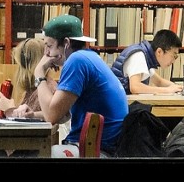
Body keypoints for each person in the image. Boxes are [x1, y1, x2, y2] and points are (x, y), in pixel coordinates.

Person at [33, 14, 128, 157]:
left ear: (66, 43)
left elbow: (52, 116)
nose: (46, 53)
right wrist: (32, 115)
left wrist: (39, 72)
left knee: (33, 155)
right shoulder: (90, 57)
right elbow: (63, 114)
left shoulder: (76, 61)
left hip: (95, 150)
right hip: (105, 146)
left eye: (49, 46)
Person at [109, 28, 184, 95]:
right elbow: (135, 87)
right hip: (115, 105)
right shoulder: (139, 55)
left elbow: (159, 81)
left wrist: (182, 88)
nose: (173, 61)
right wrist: (167, 90)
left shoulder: (146, 57)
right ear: (159, 52)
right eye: (174, 56)